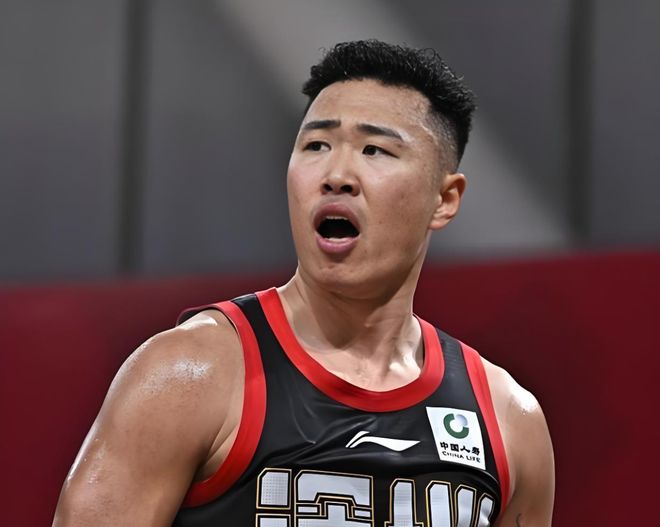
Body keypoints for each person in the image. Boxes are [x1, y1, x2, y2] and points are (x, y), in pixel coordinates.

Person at [53, 40, 554, 526]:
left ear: (444, 200)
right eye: (316, 145)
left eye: (375, 150)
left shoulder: (509, 422)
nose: (337, 175)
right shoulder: (189, 376)